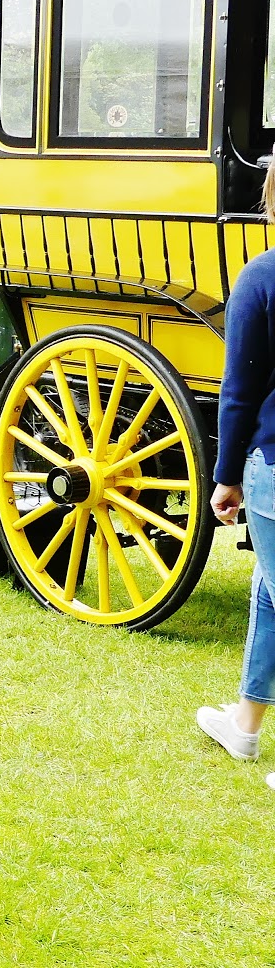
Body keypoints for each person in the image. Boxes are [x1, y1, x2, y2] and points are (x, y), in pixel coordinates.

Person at [199, 159, 275, 782]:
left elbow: (239, 391)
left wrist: (225, 476)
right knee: (267, 591)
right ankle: (245, 725)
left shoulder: (261, 278)